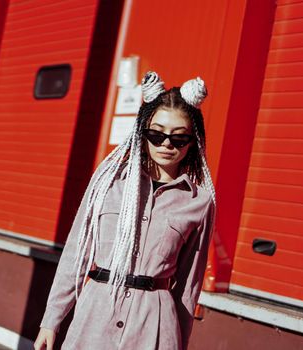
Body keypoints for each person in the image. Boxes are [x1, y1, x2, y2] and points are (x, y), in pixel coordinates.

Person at [34, 71, 216, 350]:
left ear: (193, 143)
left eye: (179, 138)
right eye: (156, 134)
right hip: (96, 316)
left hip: (154, 327)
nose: (166, 144)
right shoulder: (108, 183)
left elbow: (188, 287)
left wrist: (180, 340)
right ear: (141, 133)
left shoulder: (199, 203)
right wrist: (51, 321)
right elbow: (76, 255)